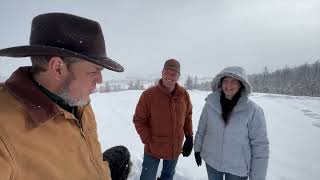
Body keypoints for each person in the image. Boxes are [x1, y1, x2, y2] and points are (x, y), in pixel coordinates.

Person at [0, 13, 131, 180]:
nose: (100, 80)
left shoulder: (77, 101)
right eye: (94, 71)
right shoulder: (4, 130)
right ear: (58, 68)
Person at [194, 66, 269, 180]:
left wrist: (258, 177)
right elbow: (202, 128)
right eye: (226, 81)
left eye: (234, 82)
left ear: (241, 85)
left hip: (237, 168)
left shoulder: (253, 110)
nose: (228, 86)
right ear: (221, 83)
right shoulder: (211, 104)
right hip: (212, 162)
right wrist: (197, 149)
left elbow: (260, 146)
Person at [133, 59, 193, 180]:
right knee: (147, 177)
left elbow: (187, 116)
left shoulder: (183, 94)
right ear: (162, 73)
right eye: (167, 72)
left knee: (168, 176)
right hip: (153, 148)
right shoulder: (149, 95)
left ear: (178, 76)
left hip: (174, 147)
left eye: (174, 74)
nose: (170, 77)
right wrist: (147, 139)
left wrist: (189, 138)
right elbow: (139, 120)